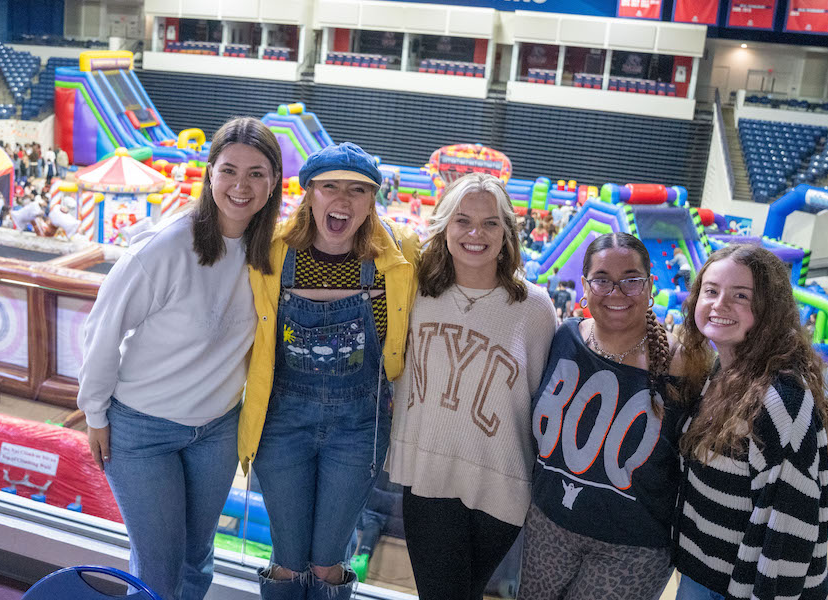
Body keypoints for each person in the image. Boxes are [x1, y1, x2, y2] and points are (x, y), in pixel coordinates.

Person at [77, 118, 283, 600]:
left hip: (216, 429)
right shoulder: (168, 248)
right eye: (229, 170)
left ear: (274, 181)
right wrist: (95, 413)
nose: (241, 185)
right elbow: (103, 329)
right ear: (209, 173)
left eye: (256, 173)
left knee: (196, 562)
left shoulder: (271, 252)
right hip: (142, 429)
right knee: (159, 569)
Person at [242, 142, 419, 600]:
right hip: (283, 423)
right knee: (286, 561)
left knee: (327, 564)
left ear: (372, 200)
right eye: (330, 187)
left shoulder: (399, 256)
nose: (342, 200)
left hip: (359, 427)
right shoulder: (272, 251)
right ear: (309, 194)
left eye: (357, 190)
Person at [386, 174, 556, 600]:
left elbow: (538, 399)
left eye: (490, 223)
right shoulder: (415, 291)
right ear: (445, 227)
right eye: (463, 220)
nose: (476, 233)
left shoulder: (535, 309)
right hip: (429, 479)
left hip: (503, 486)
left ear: (507, 234)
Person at [673, 245, 828, 600]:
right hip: (702, 575)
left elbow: (789, 528)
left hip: (736, 588)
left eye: (741, 296)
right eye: (711, 290)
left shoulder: (780, 399)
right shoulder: (722, 370)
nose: (720, 304)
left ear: (770, 309)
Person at [518, 233, 680, 600]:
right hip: (548, 525)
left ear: (650, 285)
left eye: (631, 279)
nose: (616, 291)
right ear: (586, 286)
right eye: (602, 279)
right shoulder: (564, 338)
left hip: (632, 549)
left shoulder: (683, 364)